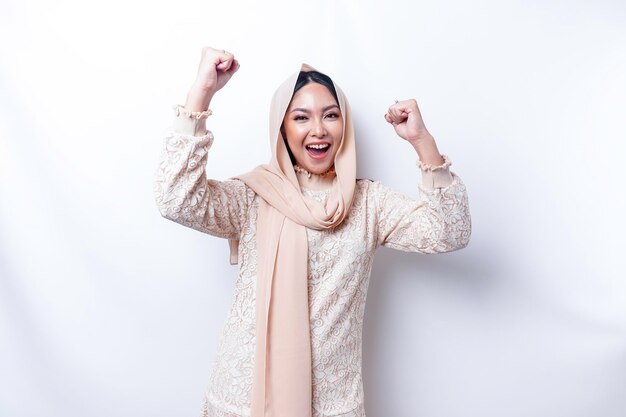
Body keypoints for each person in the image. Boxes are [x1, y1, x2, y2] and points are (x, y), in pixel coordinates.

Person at [153, 46, 471, 417]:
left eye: (331, 116)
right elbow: (176, 199)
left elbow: (449, 231)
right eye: (301, 117)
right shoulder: (252, 197)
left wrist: (422, 142)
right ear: (282, 128)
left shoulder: (369, 203)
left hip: (332, 405)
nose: (318, 130)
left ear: (344, 125)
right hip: (244, 401)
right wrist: (201, 92)